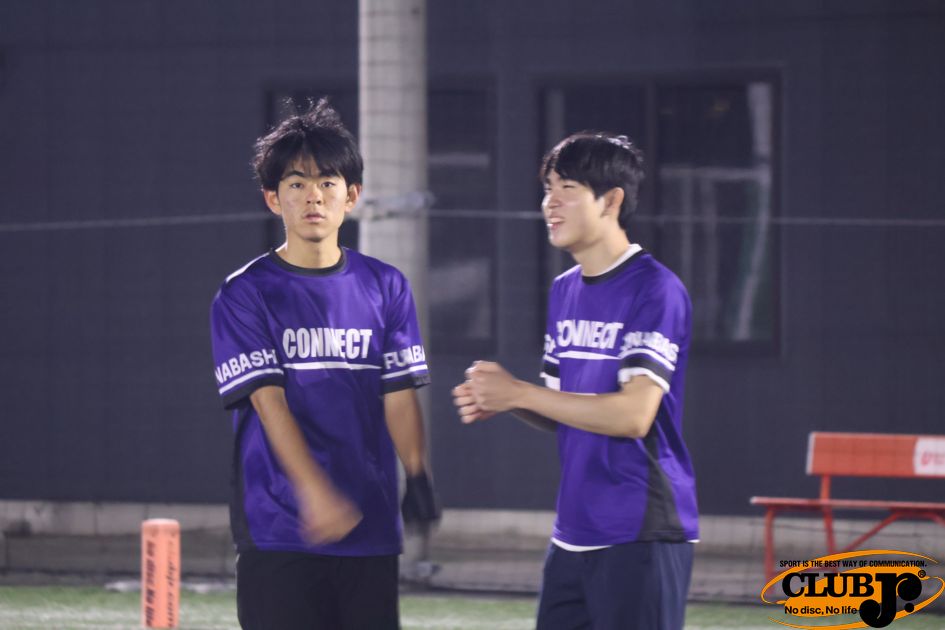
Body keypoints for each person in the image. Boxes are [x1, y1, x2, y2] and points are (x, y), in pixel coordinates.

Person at [452, 131, 698, 630]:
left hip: (640, 529)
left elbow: (633, 416)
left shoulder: (656, 289)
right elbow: (561, 406)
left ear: (611, 200)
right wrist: (506, 399)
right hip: (572, 532)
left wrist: (520, 392)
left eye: (567, 188)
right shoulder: (565, 289)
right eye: (548, 189)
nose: (550, 203)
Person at [210, 98, 439, 630]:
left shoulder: (386, 285)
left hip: (369, 525)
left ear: (351, 195)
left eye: (327, 182)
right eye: (296, 183)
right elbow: (268, 402)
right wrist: (314, 493)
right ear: (273, 198)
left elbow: (398, 393)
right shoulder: (245, 293)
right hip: (280, 529)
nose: (313, 195)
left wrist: (417, 473)